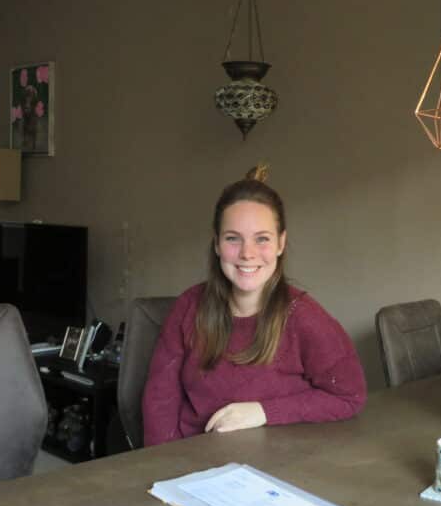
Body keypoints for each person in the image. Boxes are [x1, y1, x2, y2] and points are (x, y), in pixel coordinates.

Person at [142, 165, 367, 446]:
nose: (247, 254)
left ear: (281, 243)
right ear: (216, 244)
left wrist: (263, 411)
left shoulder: (305, 318)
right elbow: (160, 401)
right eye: (232, 239)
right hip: (193, 460)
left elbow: (349, 396)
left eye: (262, 239)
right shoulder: (188, 307)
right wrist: (164, 463)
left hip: (276, 464)